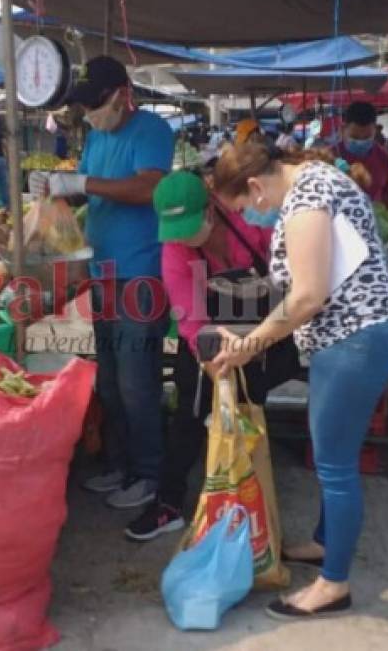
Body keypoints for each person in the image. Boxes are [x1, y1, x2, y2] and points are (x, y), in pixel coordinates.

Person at [211, 142, 388, 621]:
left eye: (245, 207)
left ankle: (333, 586)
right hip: (361, 336)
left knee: (336, 466)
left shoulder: (306, 200)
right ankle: (326, 545)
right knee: (333, 458)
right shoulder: (321, 181)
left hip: (355, 340)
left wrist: (248, 345)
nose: (251, 216)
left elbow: (307, 297)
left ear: (256, 186)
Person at [46, 55, 173, 509]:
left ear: (122, 94)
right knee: (111, 382)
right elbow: (93, 190)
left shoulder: (153, 131)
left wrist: (85, 181)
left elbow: (148, 189)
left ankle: (148, 474)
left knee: (139, 384)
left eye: (96, 103)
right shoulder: (97, 137)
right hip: (103, 275)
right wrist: (63, 187)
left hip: (141, 277)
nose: (92, 114)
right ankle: (119, 465)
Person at [125, 170, 273, 541]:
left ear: (210, 207)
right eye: (178, 229)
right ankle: (169, 504)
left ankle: (249, 502)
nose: (187, 236)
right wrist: (211, 361)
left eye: (192, 225)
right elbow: (190, 316)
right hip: (208, 330)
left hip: (261, 327)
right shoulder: (175, 249)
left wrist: (261, 338)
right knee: (190, 412)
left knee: (249, 412)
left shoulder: (249, 218)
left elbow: (287, 270)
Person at [336, 101, 388, 208]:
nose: (360, 141)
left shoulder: (383, 158)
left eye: (367, 137)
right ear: (343, 129)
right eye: (354, 137)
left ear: (375, 130)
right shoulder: (330, 157)